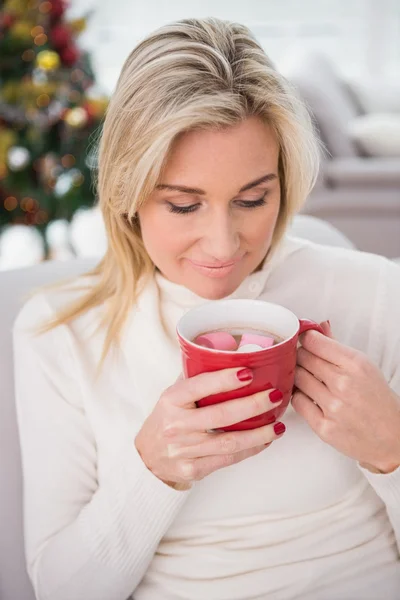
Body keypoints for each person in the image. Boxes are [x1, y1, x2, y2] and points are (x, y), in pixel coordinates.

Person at [13, 17, 400, 600]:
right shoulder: (59, 333)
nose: (223, 247)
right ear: (127, 194)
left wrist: (392, 450)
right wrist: (152, 472)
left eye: (252, 199)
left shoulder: (374, 291)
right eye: (183, 206)